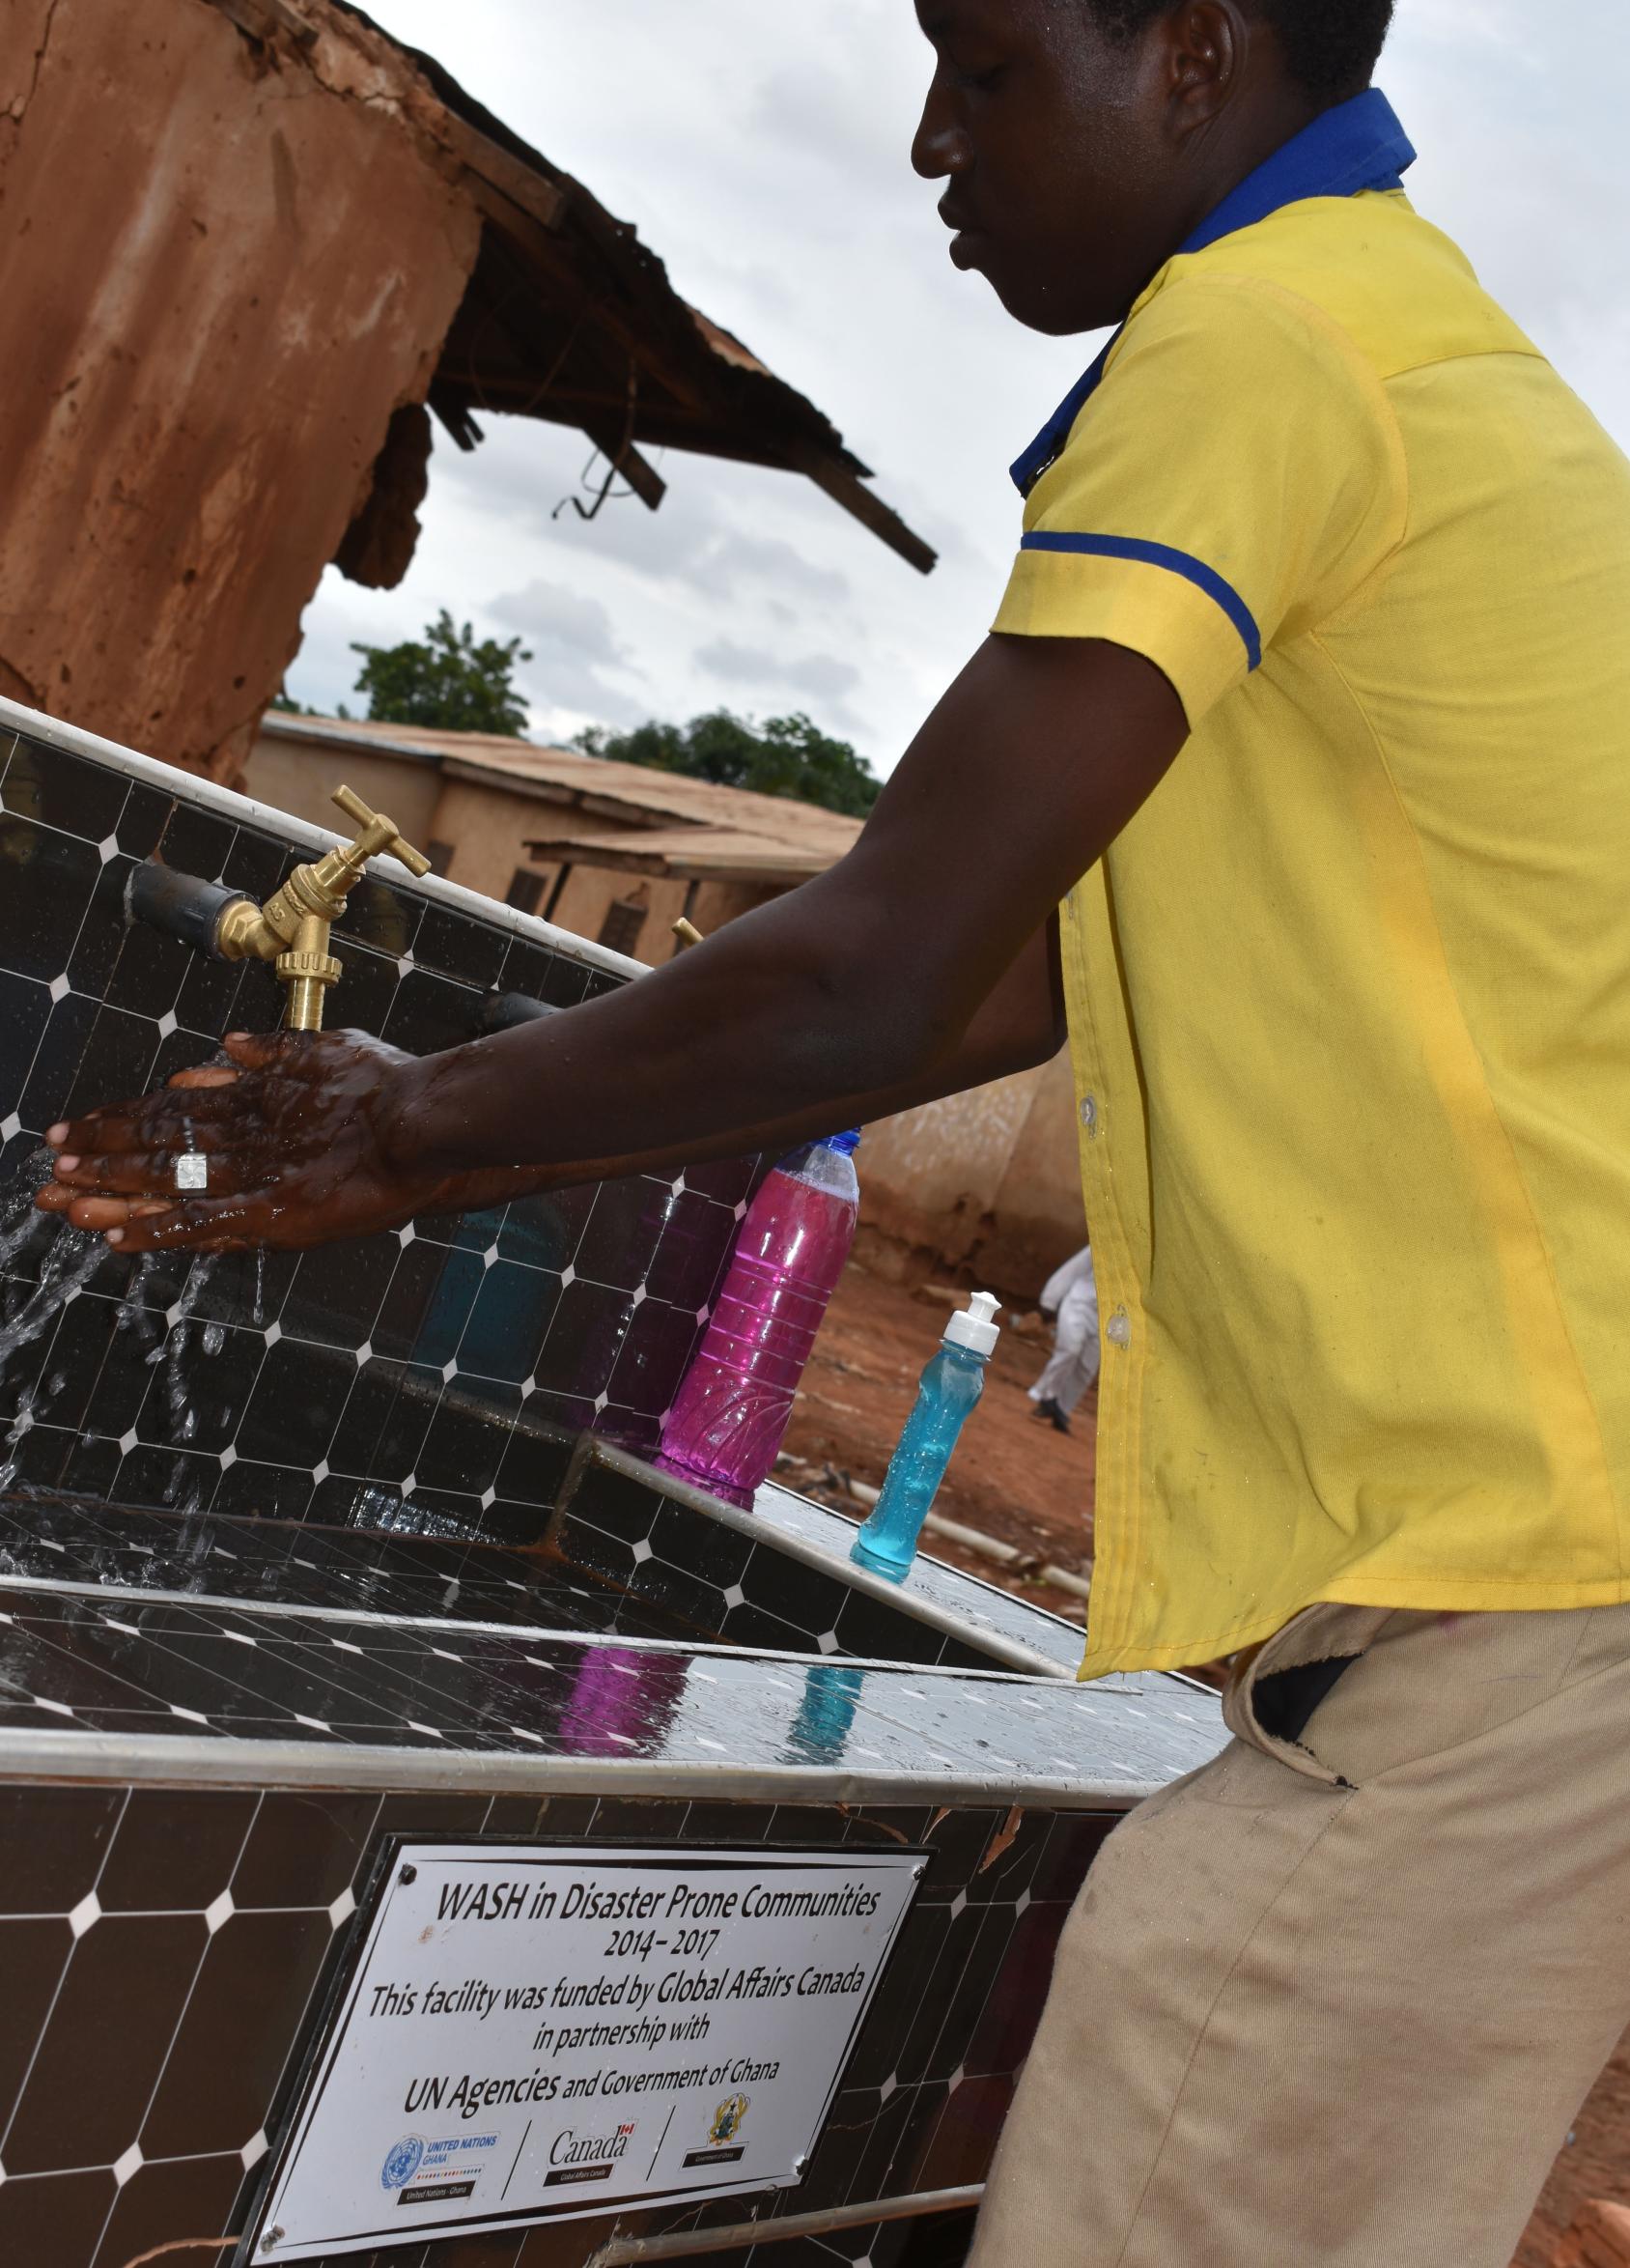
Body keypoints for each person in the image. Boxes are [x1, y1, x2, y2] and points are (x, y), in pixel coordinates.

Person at [39, 3, 1630, 2260]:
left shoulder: (1266, 347)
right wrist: (473, 1115)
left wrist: (399, 1138)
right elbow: (992, 969)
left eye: (983, 68)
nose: (923, 143)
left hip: (1528, 1591)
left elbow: (885, 962)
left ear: (1188, 50)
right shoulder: (1395, 348)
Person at [1028, 1243, 1098, 1432]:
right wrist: (1049, 1301)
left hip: (1110, 1318)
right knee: (1070, 1349)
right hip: (1079, 1304)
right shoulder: (1107, 1239)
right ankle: (1046, 1395)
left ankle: (1061, 1408)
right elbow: (1073, 1269)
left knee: (1087, 1368)